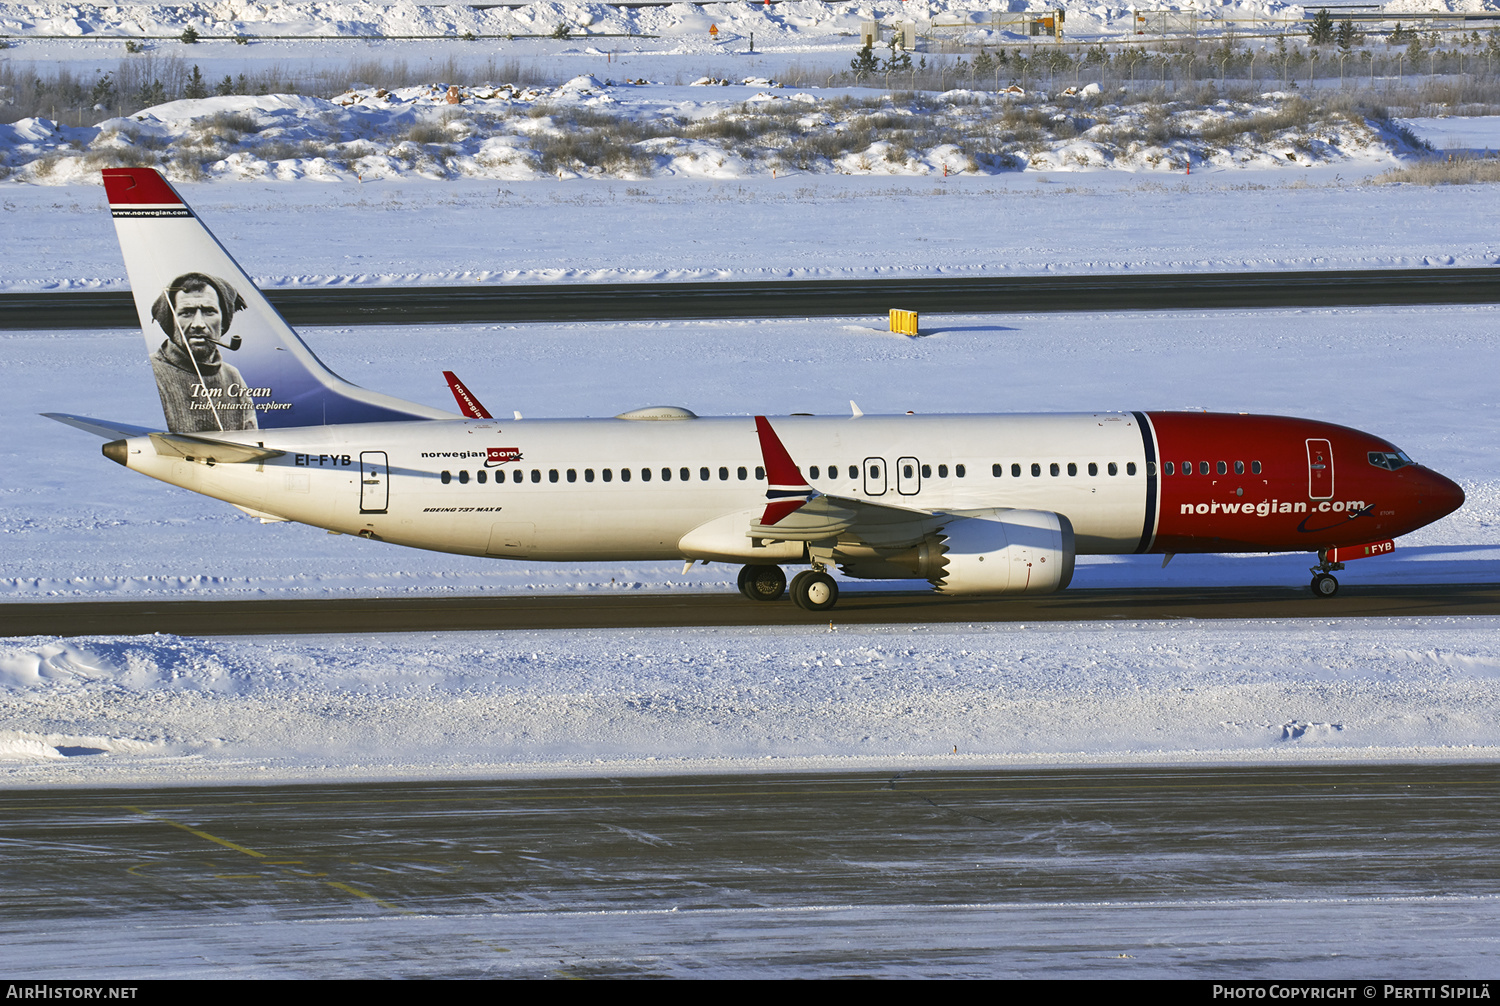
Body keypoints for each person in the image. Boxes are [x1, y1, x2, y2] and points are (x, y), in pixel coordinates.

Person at [148, 273, 257, 433]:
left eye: (208, 312)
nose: (198, 324)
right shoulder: (152, 372)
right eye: (186, 313)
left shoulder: (232, 376)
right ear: (172, 321)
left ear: (223, 322)